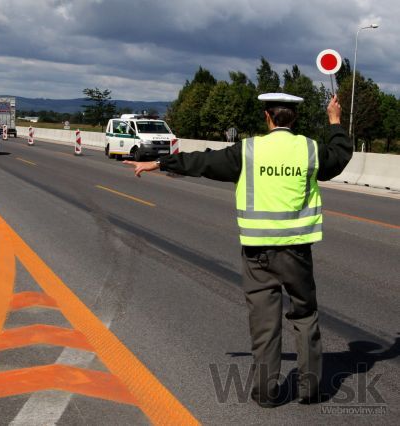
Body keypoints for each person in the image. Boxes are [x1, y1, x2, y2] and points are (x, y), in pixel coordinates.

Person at [124, 94, 352, 407]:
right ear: (293, 119)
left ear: (267, 117)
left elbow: (202, 162)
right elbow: (339, 156)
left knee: (264, 325)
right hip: (297, 252)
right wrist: (335, 122)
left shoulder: (247, 150)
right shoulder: (310, 150)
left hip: (257, 254)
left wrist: (160, 162)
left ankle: (266, 394)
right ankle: (310, 390)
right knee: (305, 316)